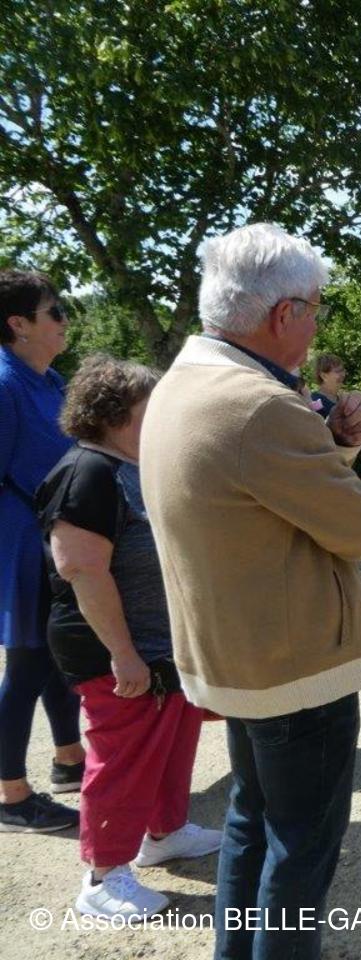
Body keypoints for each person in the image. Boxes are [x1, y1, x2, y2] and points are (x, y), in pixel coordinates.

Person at [139, 223, 361, 960]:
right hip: (294, 668)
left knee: (252, 823)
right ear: (285, 314)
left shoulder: (182, 382)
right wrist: (347, 459)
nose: (316, 327)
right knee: (300, 852)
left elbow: (260, 502)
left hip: (238, 660)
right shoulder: (261, 405)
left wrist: (334, 447)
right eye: (315, 309)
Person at [36, 355, 221, 918]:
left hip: (160, 648)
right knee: (123, 761)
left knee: (170, 745)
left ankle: (165, 832)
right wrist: (123, 654)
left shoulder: (131, 465)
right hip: (117, 654)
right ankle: (103, 877)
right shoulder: (86, 472)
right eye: (152, 406)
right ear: (116, 415)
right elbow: (81, 569)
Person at [0, 269, 84, 834]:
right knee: (29, 662)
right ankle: (11, 796)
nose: (64, 320)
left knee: (60, 653)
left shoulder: (50, 380)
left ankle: (69, 760)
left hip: (55, 539)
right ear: (19, 324)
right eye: (54, 311)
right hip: (23, 545)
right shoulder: (4, 385)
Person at [311, 352, 346, 419]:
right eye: (338, 371)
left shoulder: (342, 400)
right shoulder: (315, 401)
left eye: (342, 370)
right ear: (323, 376)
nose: (343, 375)